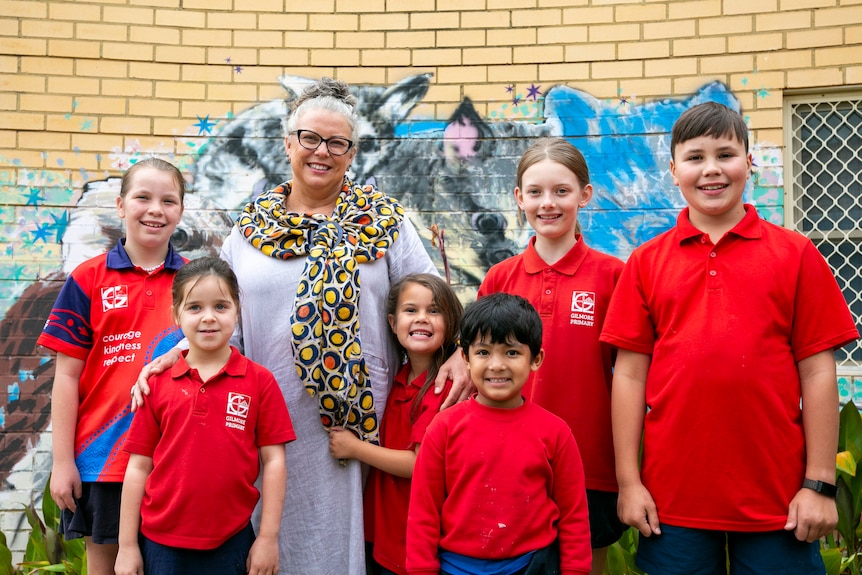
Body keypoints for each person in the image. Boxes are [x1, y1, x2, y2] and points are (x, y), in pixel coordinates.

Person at [132, 77, 469, 575]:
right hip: (267, 414)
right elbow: (222, 317)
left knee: (347, 540)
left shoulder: (386, 221)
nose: (322, 152)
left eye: (337, 142)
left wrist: (460, 349)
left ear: (352, 153)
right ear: (288, 143)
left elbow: (430, 297)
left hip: (358, 422)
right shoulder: (249, 229)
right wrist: (172, 356)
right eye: (310, 138)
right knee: (271, 533)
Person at [600, 101, 860, 575]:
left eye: (726, 154)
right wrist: (629, 482)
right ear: (674, 170)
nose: (712, 169)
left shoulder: (795, 255)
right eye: (695, 158)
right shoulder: (645, 262)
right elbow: (630, 376)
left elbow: (819, 371)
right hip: (672, 501)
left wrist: (819, 484)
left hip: (778, 499)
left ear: (749, 162)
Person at [477, 137, 626, 575]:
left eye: (561, 191)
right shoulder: (499, 278)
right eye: (536, 192)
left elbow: (632, 375)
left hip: (590, 465)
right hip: (510, 462)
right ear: (519, 197)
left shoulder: (614, 275)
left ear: (585, 195)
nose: (548, 203)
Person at [36, 157, 187, 575]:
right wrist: (63, 462)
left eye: (168, 200)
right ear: (121, 206)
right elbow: (65, 377)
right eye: (143, 197)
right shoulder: (87, 279)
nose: (155, 209)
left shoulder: (194, 283)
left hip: (172, 460)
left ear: (180, 211)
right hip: (103, 462)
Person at [115, 257, 295, 575]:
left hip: (232, 540)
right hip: (160, 543)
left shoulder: (260, 381)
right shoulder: (155, 384)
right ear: (176, 315)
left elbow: (275, 461)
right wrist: (127, 546)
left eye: (221, 307)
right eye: (195, 307)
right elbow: (138, 465)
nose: (208, 318)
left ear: (237, 312)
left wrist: (268, 537)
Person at [407, 293, 593, 575]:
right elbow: (423, 514)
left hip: (531, 565)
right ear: (466, 359)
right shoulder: (443, 428)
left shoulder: (556, 433)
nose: (496, 365)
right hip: (455, 567)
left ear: (536, 358)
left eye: (512, 352)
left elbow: (574, 517)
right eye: (483, 352)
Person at [328, 273, 462, 575]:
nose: (422, 319)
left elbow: (419, 463)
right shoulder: (398, 378)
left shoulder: (443, 389)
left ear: (451, 322)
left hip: (415, 542)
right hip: (383, 533)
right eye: (411, 310)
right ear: (392, 323)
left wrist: (355, 448)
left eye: (434, 310)